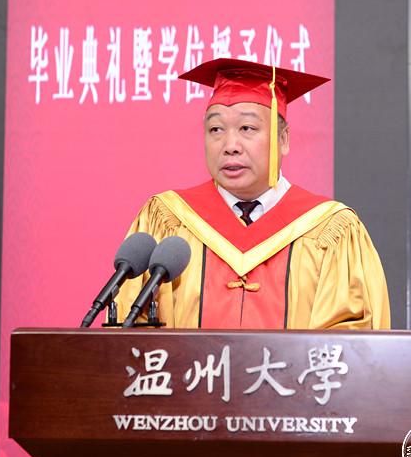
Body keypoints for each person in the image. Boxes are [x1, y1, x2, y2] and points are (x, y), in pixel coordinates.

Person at [112, 58, 390, 330]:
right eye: (216, 129)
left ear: (283, 139)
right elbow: (129, 330)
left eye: (247, 128)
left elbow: (351, 341)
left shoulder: (330, 229)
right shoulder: (168, 220)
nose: (230, 145)